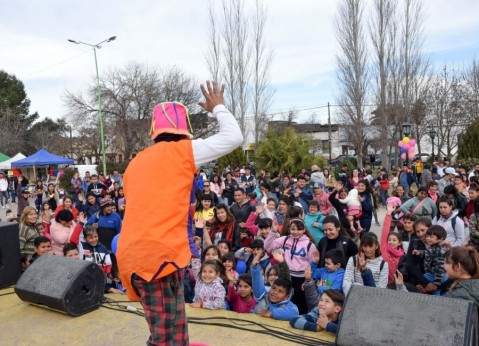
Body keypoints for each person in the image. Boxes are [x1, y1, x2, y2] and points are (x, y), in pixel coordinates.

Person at [117, 81, 243, 345]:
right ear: (185, 130)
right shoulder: (183, 152)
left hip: (138, 257)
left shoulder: (135, 163)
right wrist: (218, 107)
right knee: (167, 337)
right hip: (158, 257)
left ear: (154, 131)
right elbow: (233, 137)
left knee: (171, 329)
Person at [264, 219, 317, 314]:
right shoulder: (285, 239)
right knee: (283, 302)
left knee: (300, 305)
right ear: (289, 229)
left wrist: (307, 280)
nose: (295, 232)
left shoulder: (309, 245)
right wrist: (273, 231)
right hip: (286, 276)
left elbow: (312, 264)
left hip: (301, 279)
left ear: (304, 230)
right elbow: (267, 247)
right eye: (293, 229)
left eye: (299, 229)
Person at [251, 252, 299, 321]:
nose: (275, 292)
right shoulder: (263, 296)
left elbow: (294, 313)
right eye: (273, 288)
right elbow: (257, 283)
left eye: (280, 291)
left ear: (286, 297)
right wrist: (255, 268)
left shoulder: (290, 307)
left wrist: (271, 314)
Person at [412, 225, 447, 295]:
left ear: (440, 239)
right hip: (433, 274)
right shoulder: (433, 248)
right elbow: (428, 252)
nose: (428, 238)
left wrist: (436, 283)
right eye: (427, 236)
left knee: (433, 289)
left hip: (437, 276)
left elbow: (440, 268)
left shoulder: (440, 251)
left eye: (431, 237)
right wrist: (420, 252)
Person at [380, 205, 405, 283]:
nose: (391, 242)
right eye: (389, 240)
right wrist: (389, 213)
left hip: (397, 284)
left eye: (394, 240)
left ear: (399, 242)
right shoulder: (384, 248)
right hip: (383, 283)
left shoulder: (402, 255)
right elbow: (385, 230)